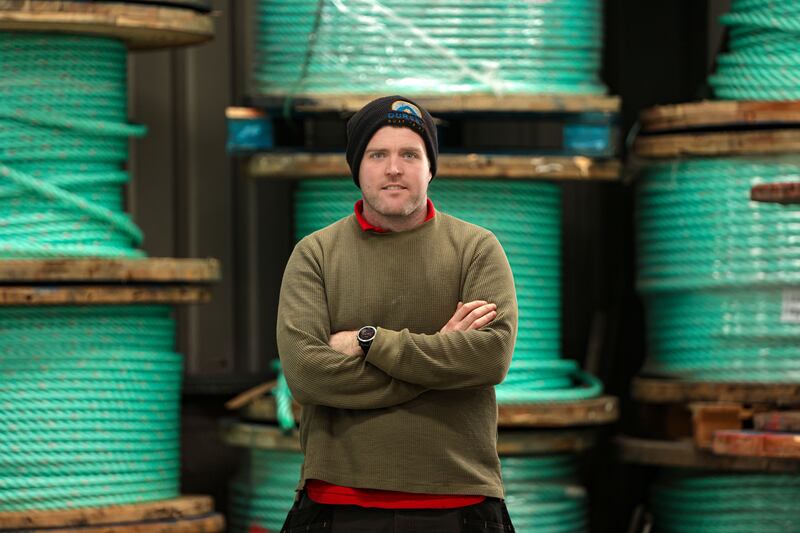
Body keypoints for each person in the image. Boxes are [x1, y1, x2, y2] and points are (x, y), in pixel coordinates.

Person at [276, 95, 518, 532]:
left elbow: (489, 358)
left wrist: (371, 342)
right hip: (339, 501)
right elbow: (306, 374)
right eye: (377, 154)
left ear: (430, 167)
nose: (393, 168)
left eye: (410, 153)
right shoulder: (315, 254)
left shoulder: (476, 249)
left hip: (458, 502)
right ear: (357, 167)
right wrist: (441, 358)